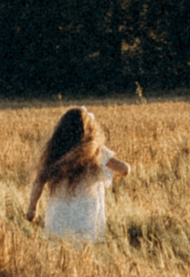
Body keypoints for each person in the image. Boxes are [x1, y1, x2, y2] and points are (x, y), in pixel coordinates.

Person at [28, 103, 129, 242]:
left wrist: (32, 209)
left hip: (58, 218)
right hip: (86, 219)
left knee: (57, 256)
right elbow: (125, 169)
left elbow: (38, 181)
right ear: (90, 130)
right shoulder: (97, 152)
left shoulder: (54, 151)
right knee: (84, 256)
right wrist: (115, 173)